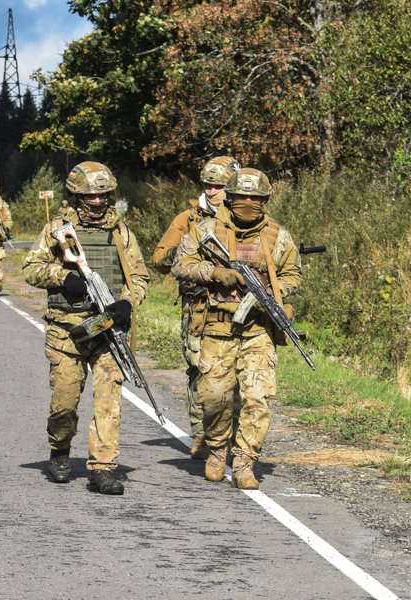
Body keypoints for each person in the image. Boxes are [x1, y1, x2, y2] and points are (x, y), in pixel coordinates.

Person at [23, 161, 150, 494]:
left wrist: (127, 301)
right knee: (64, 404)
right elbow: (31, 268)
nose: (98, 202)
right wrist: (62, 277)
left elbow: (139, 276)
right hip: (68, 331)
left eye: (104, 196)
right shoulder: (57, 230)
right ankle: (60, 451)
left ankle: (103, 468)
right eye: (91, 197)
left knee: (108, 400)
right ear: (76, 195)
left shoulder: (121, 233)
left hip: (107, 331)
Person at [172, 168, 301, 490]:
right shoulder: (204, 230)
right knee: (214, 396)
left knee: (258, 398)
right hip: (217, 326)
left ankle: (245, 462)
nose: (248, 203)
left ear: (265, 200)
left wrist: (272, 294)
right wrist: (215, 272)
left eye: (255, 198)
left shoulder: (277, 235)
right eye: (241, 196)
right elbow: (179, 265)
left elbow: (293, 274)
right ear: (228, 197)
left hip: (259, 330)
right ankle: (217, 449)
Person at [151, 156, 240, 459]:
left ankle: (233, 434)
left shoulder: (245, 215)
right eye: (208, 185)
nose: (213, 191)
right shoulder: (188, 219)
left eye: (219, 186)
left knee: (236, 371)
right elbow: (159, 258)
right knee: (199, 370)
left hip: (238, 306)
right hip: (200, 307)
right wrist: (190, 252)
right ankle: (202, 433)